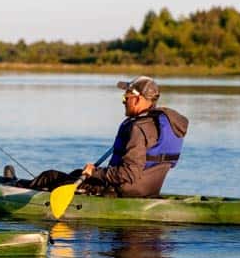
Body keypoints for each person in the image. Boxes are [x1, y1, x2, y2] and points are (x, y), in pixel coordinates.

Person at [24, 75, 189, 198]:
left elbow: (128, 174)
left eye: (126, 97)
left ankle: (13, 190)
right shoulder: (160, 124)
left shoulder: (138, 129)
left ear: (138, 99)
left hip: (118, 191)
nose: (123, 101)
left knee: (50, 176)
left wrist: (95, 173)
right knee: (75, 173)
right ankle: (17, 184)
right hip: (148, 190)